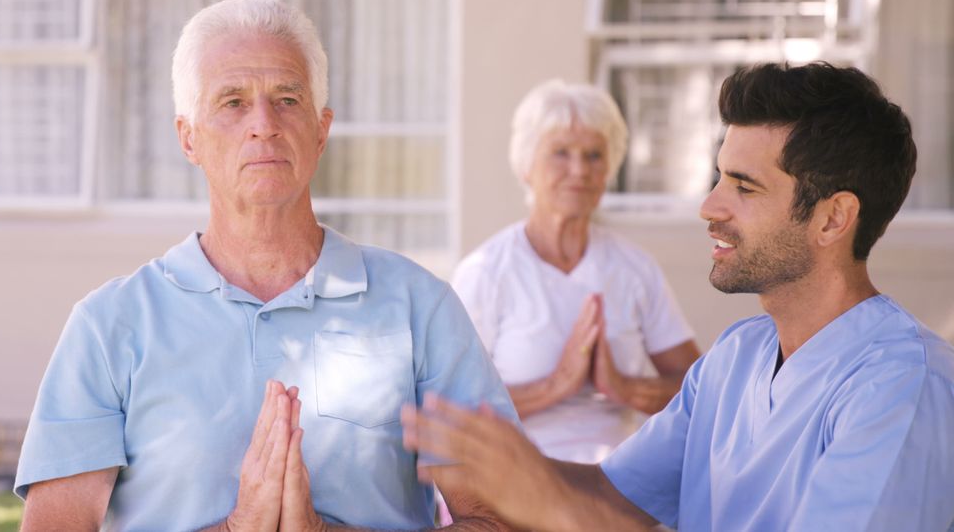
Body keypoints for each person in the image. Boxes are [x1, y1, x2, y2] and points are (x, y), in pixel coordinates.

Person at [13, 0, 516, 532]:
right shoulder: (108, 325)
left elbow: (502, 520)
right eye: (232, 102)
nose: (264, 124)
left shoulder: (421, 308)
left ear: (321, 130)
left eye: (287, 99)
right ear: (189, 137)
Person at [402, 62, 954, 531]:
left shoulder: (902, 386)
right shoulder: (736, 357)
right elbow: (615, 498)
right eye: (718, 179)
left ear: (833, 218)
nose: (709, 206)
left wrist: (545, 497)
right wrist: (505, 468)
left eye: (743, 186)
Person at [451, 80, 700, 463]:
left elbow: (700, 390)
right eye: (561, 153)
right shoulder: (487, 272)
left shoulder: (634, 269)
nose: (579, 170)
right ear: (526, 166)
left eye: (594, 155)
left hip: (618, 479)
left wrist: (623, 388)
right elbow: (449, 410)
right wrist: (555, 385)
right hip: (518, 479)